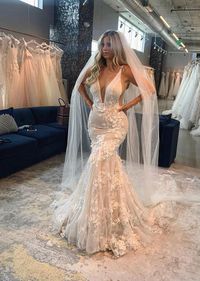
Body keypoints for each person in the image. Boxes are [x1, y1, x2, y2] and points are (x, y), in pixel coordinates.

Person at [52, 30, 162, 257]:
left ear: (117, 47)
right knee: (106, 166)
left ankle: (107, 215)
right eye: (103, 44)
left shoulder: (125, 70)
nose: (104, 48)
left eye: (109, 44)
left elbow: (149, 90)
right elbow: (79, 86)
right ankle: (103, 208)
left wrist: (127, 106)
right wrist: (90, 104)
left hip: (115, 125)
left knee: (98, 160)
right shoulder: (95, 68)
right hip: (96, 124)